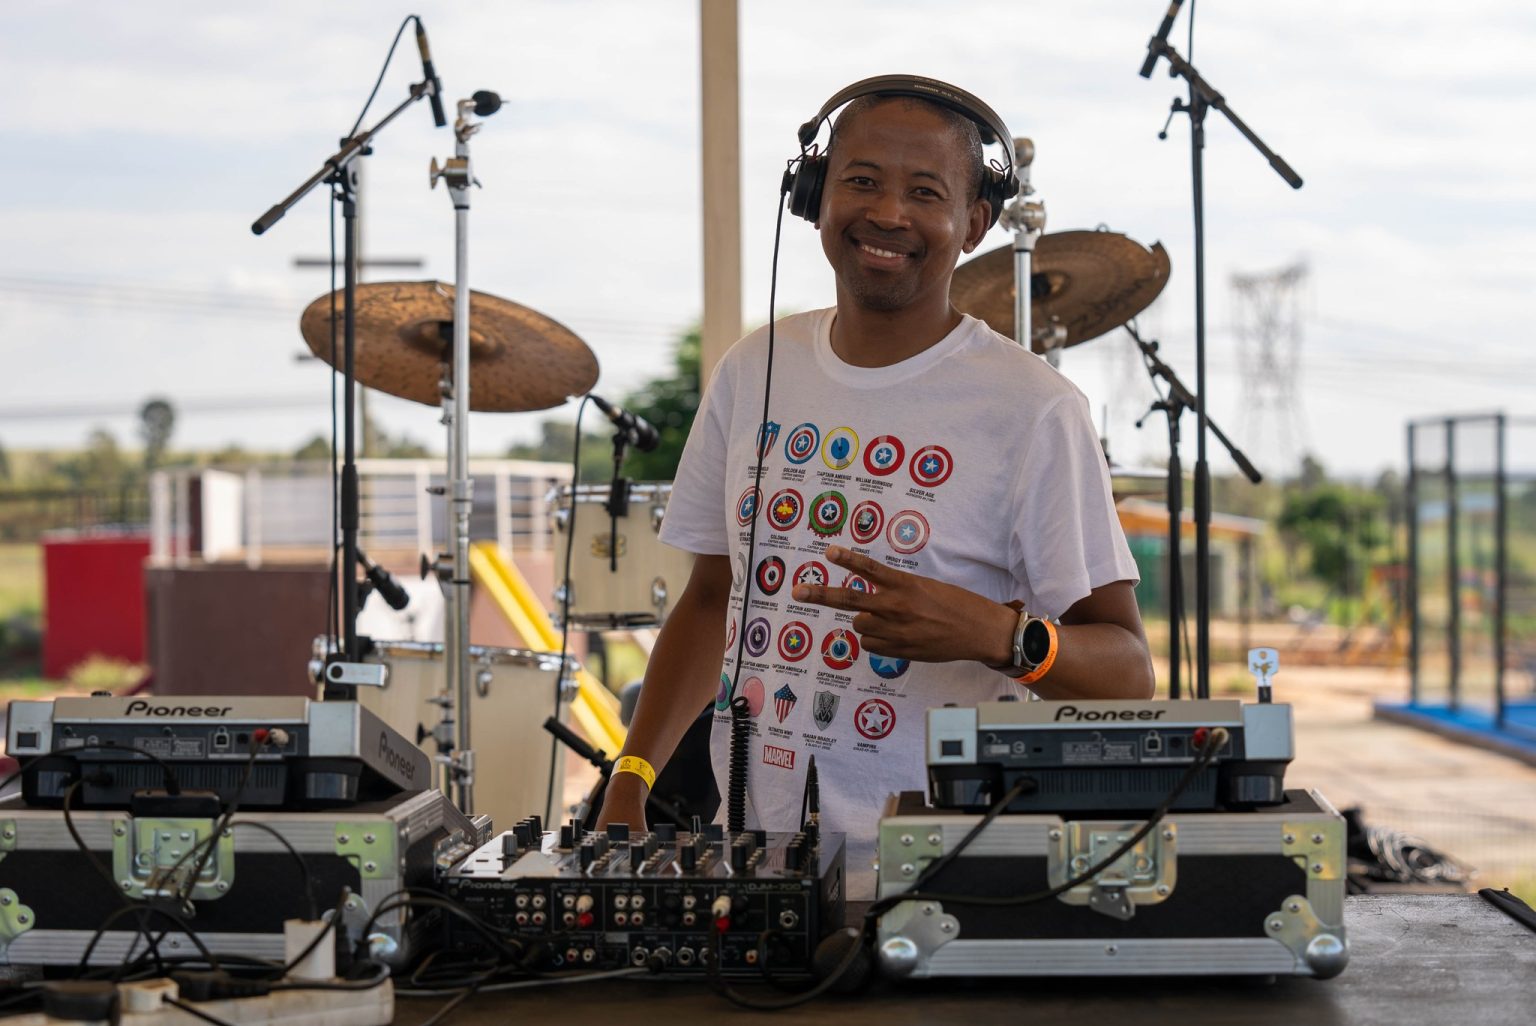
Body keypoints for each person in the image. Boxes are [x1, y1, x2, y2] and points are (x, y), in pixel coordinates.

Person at [598, 78, 1154, 898]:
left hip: (946, 878)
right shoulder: (753, 370)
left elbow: (1129, 674)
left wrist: (994, 633)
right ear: (815, 196)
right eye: (861, 180)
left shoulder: (1035, 409)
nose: (888, 213)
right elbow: (713, 598)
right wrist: (632, 773)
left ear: (974, 223)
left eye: (925, 192)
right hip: (759, 868)